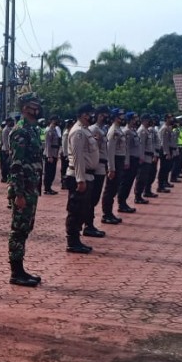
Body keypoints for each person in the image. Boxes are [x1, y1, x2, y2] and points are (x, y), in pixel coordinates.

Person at [7, 93, 43, 286]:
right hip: (23, 189)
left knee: (25, 228)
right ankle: (16, 271)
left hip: (31, 187)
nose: (37, 107)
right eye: (33, 104)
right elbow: (16, 165)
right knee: (18, 230)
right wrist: (18, 193)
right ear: (24, 108)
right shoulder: (20, 131)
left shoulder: (34, 130)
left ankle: (21, 269)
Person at [65, 104, 97, 253]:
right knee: (75, 209)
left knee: (83, 209)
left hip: (87, 174)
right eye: (90, 114)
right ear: (83, 115)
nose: (92, 116)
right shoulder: (78, 132)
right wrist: (80, 179)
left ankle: (76, 239)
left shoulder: (85, 130)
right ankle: (72, 241)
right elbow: (77, 157)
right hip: (79, 176)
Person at [83, 106, 109, 238]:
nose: (106, 117)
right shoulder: (93, 130)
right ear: (99, 115)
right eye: (104, 114)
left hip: (101, 166)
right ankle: (88, 225)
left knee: (95, 197)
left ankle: (90, 224)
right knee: (92, 197)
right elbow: (93, 151)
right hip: (96, 166)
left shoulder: (102, 130)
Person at [100, 109, 127, 225]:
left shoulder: (119, 130)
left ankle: (109, 213)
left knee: (114, 188)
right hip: (114, 160)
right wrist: (111, 168)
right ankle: (106, 214)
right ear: (116, 117)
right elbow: (110, 151)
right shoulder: (113, 131)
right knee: (110, 189)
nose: (123, 118)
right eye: (121, 116)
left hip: (119, 160)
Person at [43, 115, 61, 195]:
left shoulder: (54, 130)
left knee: (52, 172)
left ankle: (49, 187)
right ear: (51, 120)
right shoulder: (49, 130)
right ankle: (47, 188)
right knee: (49, 172)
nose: (56, 121)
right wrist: (49, 156)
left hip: (54, 153)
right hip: (50, 154)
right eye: (55, 120)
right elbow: (48, 144)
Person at [157, 114, 174, 193]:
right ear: (167, 119)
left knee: (167, 168)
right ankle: (160, 186)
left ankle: (165, 182)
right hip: (164, 150)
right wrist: (166, 153)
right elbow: (164, 142)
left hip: (168, 149)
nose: (172, 119)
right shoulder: (164, 129)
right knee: (163, 168)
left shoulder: (168, 128)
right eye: (171, 118)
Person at [0, 116, 14, 183]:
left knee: (8, 164)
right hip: (5, 149)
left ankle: (7, 176)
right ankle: (4, 177)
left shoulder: (10, 129)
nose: (12, 122)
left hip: (8, 149)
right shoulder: (5, 130)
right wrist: (7, 150)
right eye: (11, 121)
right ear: (8, 122)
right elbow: (5, 141)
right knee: (5, 165)